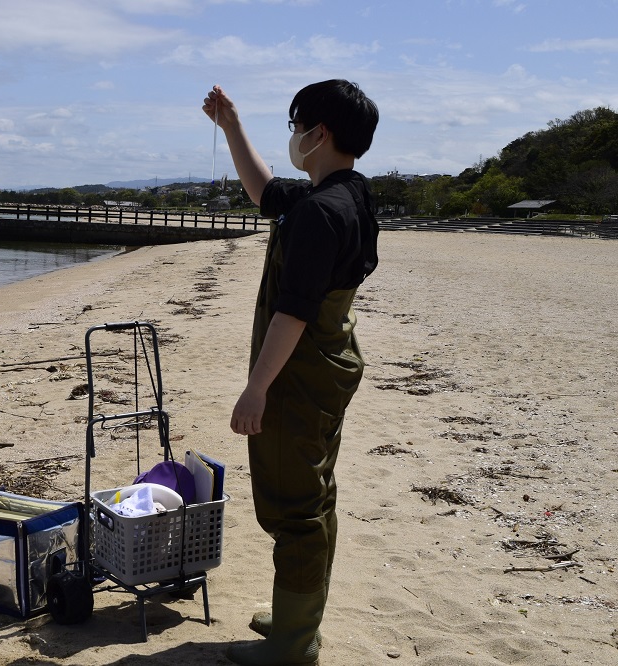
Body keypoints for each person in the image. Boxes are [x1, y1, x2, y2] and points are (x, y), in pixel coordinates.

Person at [202, 80, 379, 666]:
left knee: (293, 506)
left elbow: (294, 310)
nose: (293, 137)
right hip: (330, 366)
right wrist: (231, 126)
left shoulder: (319, 213)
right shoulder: (345, 195)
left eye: (295, 125)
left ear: (319, 132)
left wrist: (256, 389)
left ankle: (293, 646)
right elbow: (265, 191)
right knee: (315, 491)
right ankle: (296, 621)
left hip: (298, 376)